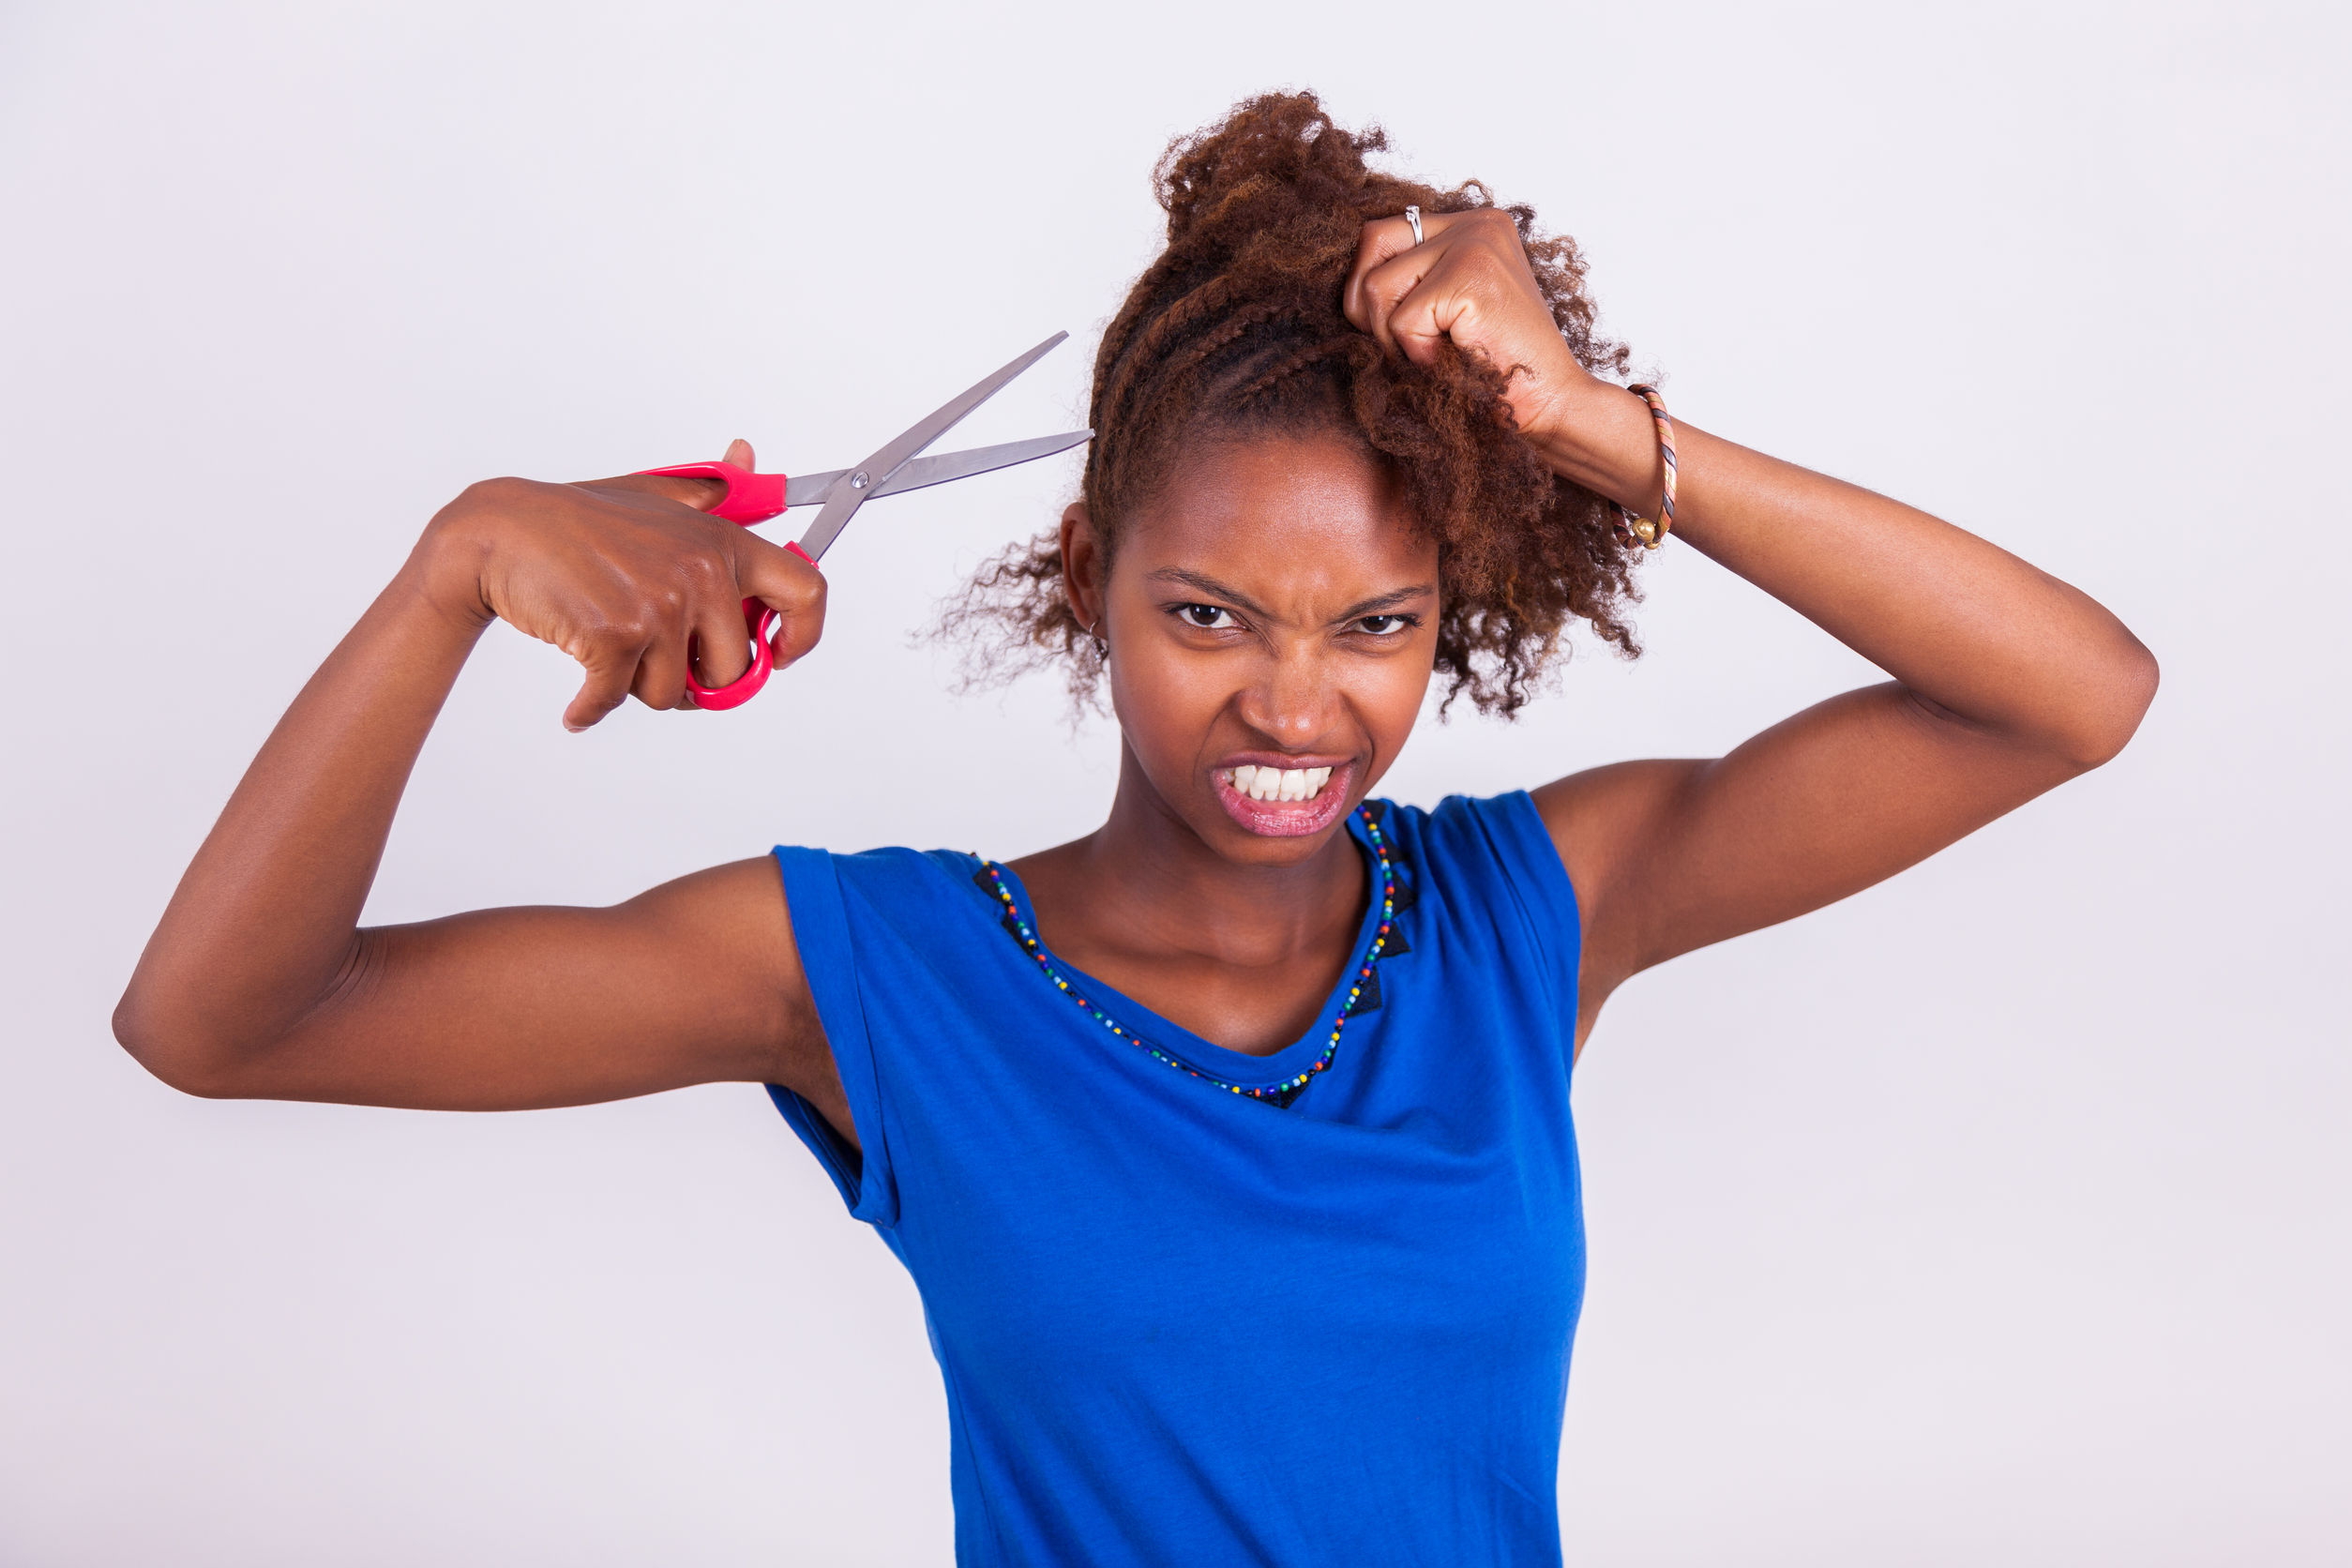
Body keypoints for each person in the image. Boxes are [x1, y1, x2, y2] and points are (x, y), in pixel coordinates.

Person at [113, 92, 2156, 1566]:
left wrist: (1573, 422)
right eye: (1208, 613)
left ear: (1457, 600)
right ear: (1089, 565)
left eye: (1379, 623)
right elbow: (225, 1020)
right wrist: (451, 567)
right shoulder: (876, 980)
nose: (1294, 703)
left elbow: (2073, 694)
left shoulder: (1531, 914)